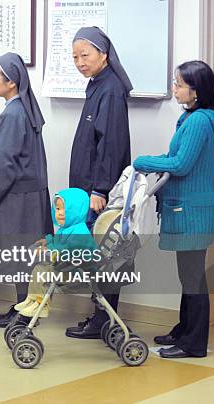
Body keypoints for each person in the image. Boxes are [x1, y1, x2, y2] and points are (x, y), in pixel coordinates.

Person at [133, 60, 214, 358]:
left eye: (179, 84)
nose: (174, 89)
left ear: (196, 91)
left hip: (194, 211)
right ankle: (184, 331)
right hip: (192, 208)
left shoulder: (199, 121)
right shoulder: (192, 118)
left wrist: (143, 162)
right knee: (189, 275)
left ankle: (194, 342)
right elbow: (175, 156)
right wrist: (154, 159)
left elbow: (181, 165)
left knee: (193, 277)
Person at [66, 26, 132, 339]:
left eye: (85, 55)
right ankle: (100, 316)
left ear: (103, 54)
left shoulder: (111, 89)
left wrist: (99, 189)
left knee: (105, 255)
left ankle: (105, 320)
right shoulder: (97, 84)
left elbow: (112, 144)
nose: (79, 61)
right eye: (75, 56)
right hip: (89, 188)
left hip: (98, 191)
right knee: (96, 254)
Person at [0, 52, 53, 328]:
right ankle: (24, 307)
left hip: (16, 196)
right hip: (32, 194)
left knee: (20, 255)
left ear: (11, 82)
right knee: (28, 254)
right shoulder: (24, 108)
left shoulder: (12, 113)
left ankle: (26, 313)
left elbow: (4, 163)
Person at [13, 189, 98, 324]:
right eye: (57, 208)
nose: (60, 213)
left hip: (78, 272)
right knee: (38, 268)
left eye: (65, 209)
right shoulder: (67, 228)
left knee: (43, 272)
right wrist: (48, 241)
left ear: (77, 210)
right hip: (68, 268)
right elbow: (60, 243)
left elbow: (67, 250)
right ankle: (33, 300)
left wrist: (48, 250)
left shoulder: (80, 232)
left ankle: (41, 305)